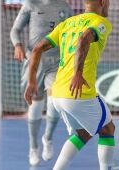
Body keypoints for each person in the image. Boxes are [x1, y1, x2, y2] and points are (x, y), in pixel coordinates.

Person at [24, 0, 115, 169]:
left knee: (83, 133)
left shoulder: (68, 23)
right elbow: (84, 39)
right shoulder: (100, 22)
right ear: (103, 2)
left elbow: (37, 49)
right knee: (108, 129)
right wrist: (78, 73)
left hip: (58, 94)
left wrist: (31, 81)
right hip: (78, 92)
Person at [10, 0, 73, 166]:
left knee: (54, 102)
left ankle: (48, 138)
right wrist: (17, 45)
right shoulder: (30, 4)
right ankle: (33, 147)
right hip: (35, 61)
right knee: (36, 105)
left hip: (57, 62)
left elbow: (72, 32)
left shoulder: (65, 7)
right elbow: (15, 30)